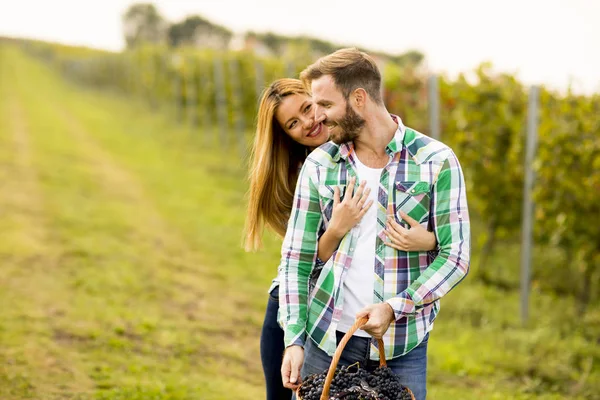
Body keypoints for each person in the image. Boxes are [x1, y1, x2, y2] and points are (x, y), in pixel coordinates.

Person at [278, 49, 471, 400]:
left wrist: (395, 307)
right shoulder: (321, 164)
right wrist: (294, 339)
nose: (317, 118)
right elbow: (296, 259)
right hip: (326, 338)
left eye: (324, 105)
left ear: (359, 99)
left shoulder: (436, 162)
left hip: (403, 346)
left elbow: (455, 256)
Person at [244, 78, 438, 400]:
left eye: (308, 108)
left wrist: (431, 241)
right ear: (285, 135)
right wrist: (335, 229)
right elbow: (305, 261)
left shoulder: (382, 154)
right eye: (293, 123)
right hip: (297, 305)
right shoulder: (307, 171)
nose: (309, 122)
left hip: (351, 315)